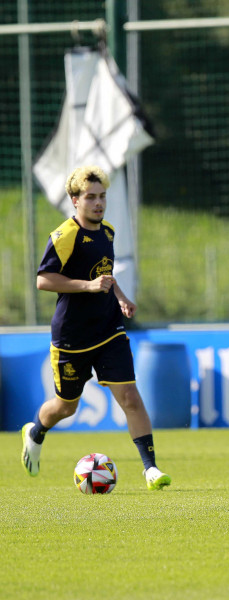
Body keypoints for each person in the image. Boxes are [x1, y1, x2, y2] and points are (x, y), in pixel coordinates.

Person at [20, 166, 171, 490]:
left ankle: (150, 469)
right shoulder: (64, 236)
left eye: (102, 196)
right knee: (66, 407)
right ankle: (35, 431)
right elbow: (43, 279)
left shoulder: (109, 233)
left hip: (108, 329)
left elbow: (104, 274)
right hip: (72, 337)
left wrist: (120, 297)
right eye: (90, 197)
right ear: (75, 200)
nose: (98, 203)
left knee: (130, 396)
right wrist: (87, 287)